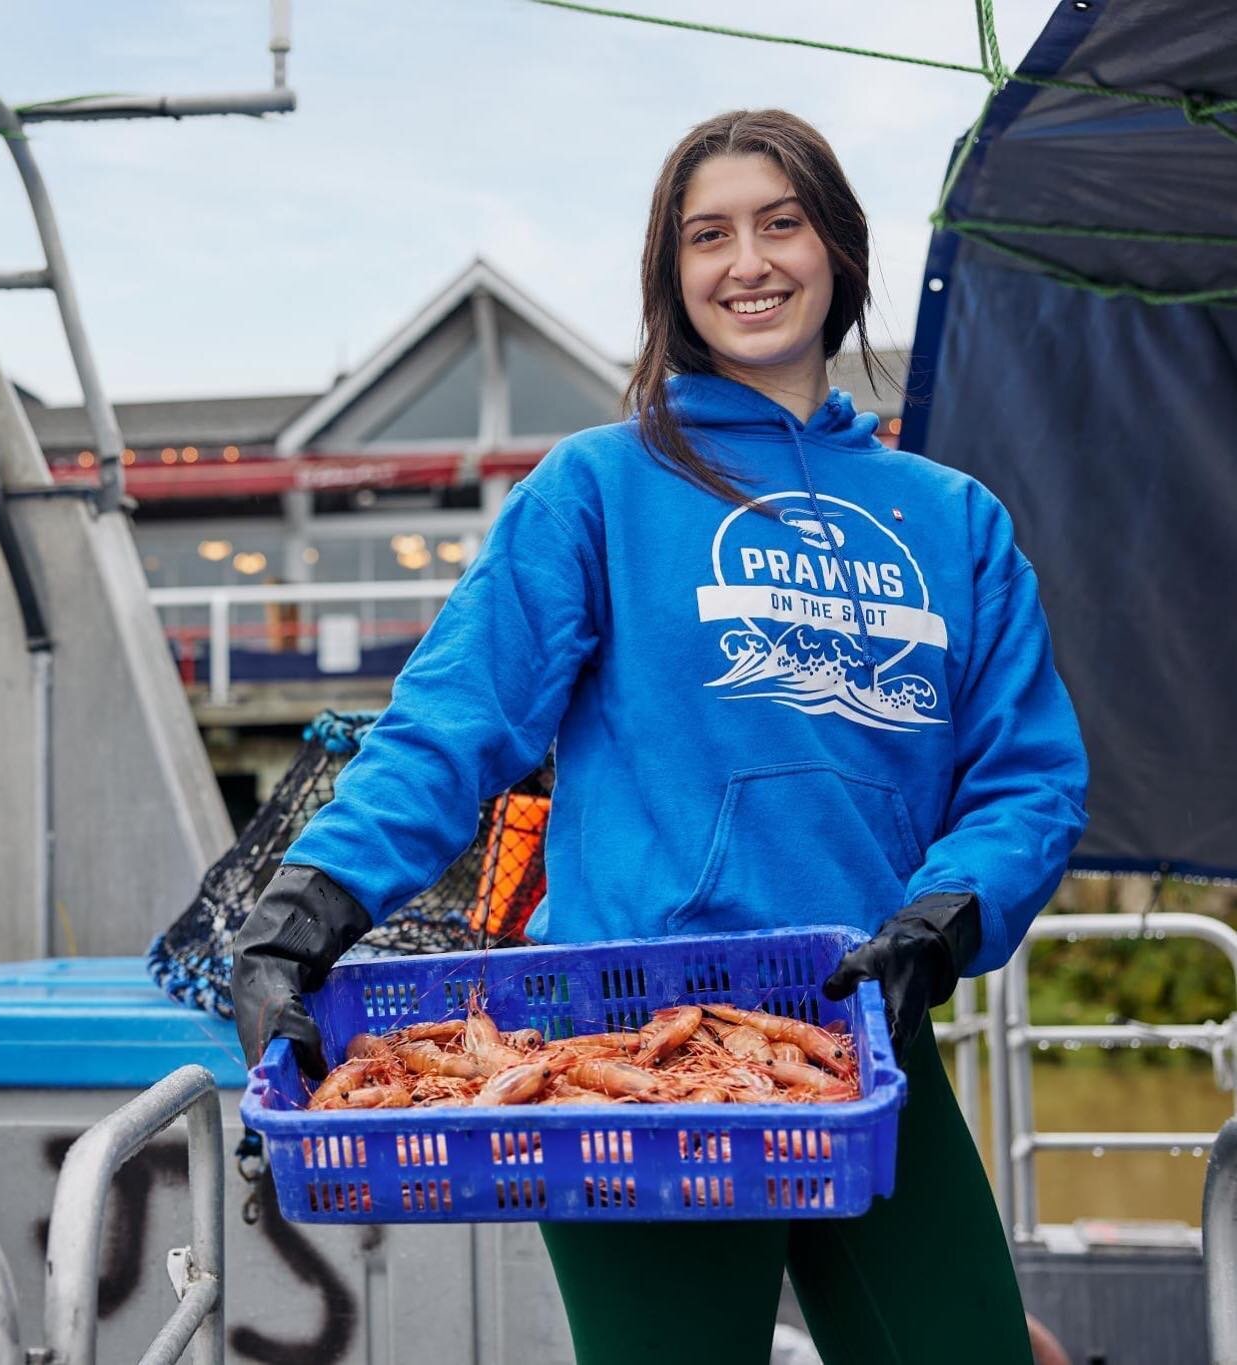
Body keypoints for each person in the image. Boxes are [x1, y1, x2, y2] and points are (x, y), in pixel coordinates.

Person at [233, 108, 1088, 1365]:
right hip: (627, 1058)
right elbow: (449, 728)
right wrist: (303, 910)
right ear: (672, 277)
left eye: (781, 224)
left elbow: (1027, 779)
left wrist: (946, 916)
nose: (749, 261)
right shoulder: (597, 486)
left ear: (839, 252)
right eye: (710, 235)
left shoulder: (953, 520)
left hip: (865, 1042)